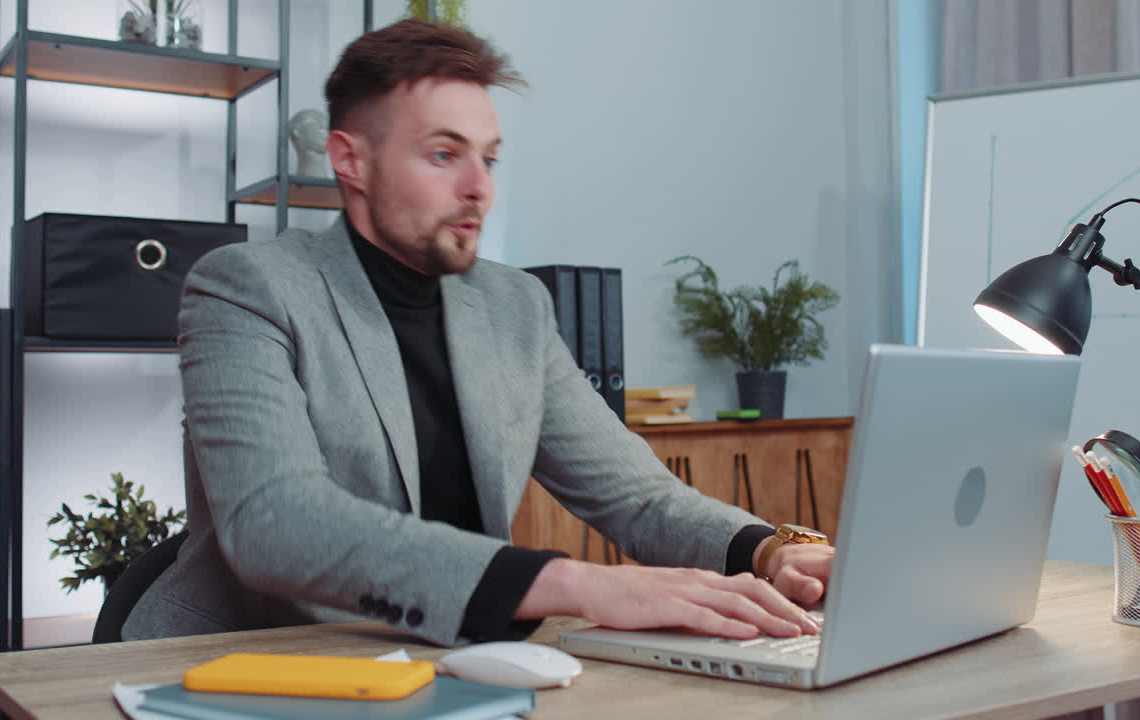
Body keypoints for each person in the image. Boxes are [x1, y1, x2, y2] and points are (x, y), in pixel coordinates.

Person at [122, 19, 835, 646]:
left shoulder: (514, 306)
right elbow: (278, 523)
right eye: (444, 155)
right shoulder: (245, 287)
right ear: (350, 160)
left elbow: (635, 495)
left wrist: (769, 550)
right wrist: (576, 584)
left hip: (454, 662)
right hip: (251, 666)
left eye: (489, 159)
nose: (480, 188)